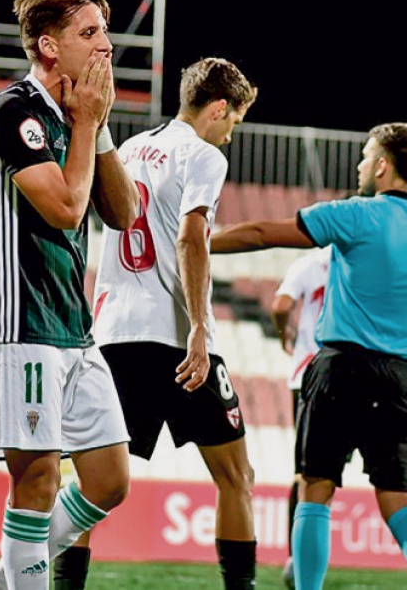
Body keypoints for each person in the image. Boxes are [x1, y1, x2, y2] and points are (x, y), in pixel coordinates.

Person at [210, 122, 407, 590]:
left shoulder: (356, 214)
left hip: (340, 370)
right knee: (398, 501)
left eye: (367, 156)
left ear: (383, 165)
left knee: (315, 492)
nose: (361, 165)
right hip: (401, 376)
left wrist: (200, 244)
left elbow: (266, 232)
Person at [0, 0, 139, 590]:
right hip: (21, 324)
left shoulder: (81, 118)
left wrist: (101, 126)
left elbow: (121, 214)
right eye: (89, 34)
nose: (105, 48)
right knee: (37, 479)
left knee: (110, 480)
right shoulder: (12, 111)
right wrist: (86, 125)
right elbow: (66, 209)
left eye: (105, 34)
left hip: (72, 325)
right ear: (47, 45)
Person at [71, 57, 259, 590]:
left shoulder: (129, 148)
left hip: (113, 335)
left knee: (88, 486)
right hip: (175, 338)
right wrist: (199, 327)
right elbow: (191, 236)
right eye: (233, 121)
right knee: (236, 478)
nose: (229, 135)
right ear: (218, 108)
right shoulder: (202, 156)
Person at [270, 245, 332, 589]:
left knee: (304, 473)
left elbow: (281, 305)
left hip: (310, 374)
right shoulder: (365, 258)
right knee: (331, 476)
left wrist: (285, 335)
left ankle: (296, 557)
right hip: (357, 370)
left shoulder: (310, 263)